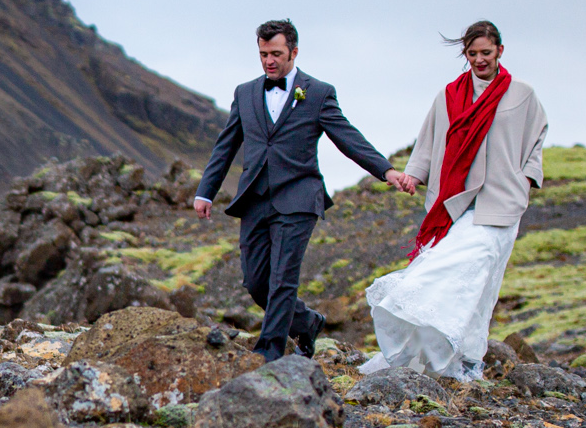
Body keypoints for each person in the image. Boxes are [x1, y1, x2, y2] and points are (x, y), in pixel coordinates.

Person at [194, 19, 415, 362]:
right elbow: (226, 146)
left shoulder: (318, 93)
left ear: (294, 52)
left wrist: (385, 170)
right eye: (263, 54)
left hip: (299, 196)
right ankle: (307, 322)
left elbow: (347, 137)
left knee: (283, 277)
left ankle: (270, 352)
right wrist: (205, 191)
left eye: (276, 54)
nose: (269, 61)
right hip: (254, 198)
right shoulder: (245, 93)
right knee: (256, 282)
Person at [360, 20, 546, 381]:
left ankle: (468, 357)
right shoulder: (449, 95)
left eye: (486, 53)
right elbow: (428, 139)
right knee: (445, 269)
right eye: (472, 54)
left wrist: (526, 179)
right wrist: (414, 174)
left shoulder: (522, 94)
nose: (479, 60)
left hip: (501, 202)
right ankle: (430, 352)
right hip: (455, 201)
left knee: (482, 279)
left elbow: (536, 137)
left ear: (500, 52)